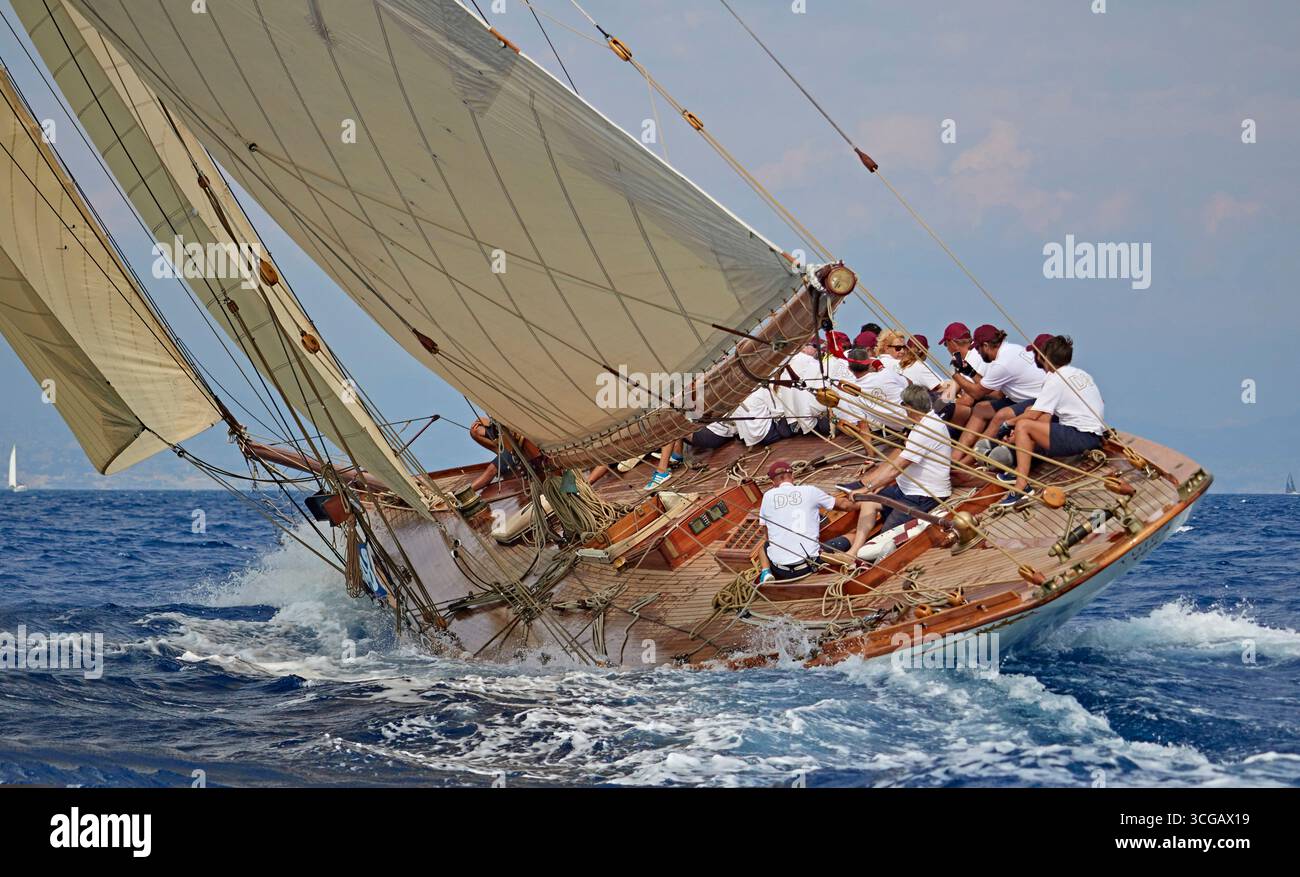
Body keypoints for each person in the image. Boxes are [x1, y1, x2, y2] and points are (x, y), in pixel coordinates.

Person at [1002, 335, 1105, 502]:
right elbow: (1043, 416)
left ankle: (1021, 486)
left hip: (1080, 436)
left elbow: (1034, 416)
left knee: (1023, 426)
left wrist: (1006, 426)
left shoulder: (1055, 379)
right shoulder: (1080, 374)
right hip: (1093, 435)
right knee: (1030, 419)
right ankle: (1023, 466)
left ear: (1045, 358)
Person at [848, 385, 953, 538]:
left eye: (903, 405)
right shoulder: (927, 421)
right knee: (869, 502)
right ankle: (855, 549)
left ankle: (865, 548)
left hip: (922, 495)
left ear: (909, 407)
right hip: (905, 490)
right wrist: (879, 485)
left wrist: (867, 488)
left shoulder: (924, 430)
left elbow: (897, 467)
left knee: (885, 535)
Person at [758, 460, 874, 581]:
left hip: (782, 570)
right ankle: (850, 556)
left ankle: (766, 572)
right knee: (853, 536)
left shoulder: (767, 497)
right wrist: (866, 502)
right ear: (793, 476)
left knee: (765, 545)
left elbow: (768, 536)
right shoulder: (810, 491)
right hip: (810, 565)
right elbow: (845, 506)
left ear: (772, 483)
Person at [951, 324, 1044, 466]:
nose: (978, 352)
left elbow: (976, 392)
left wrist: (956, 377)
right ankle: (955, 456)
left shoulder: (1002, 364)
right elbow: (991, 390)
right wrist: (969, 372)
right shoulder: (1013, 349)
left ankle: (967, 462)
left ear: (986, 345)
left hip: (1039, 400)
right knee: (981, 409)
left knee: (1001, 415)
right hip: (1020, 398)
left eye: (978, 348)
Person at [838, 347, 909, 433]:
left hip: (905, 429)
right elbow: (910, 383)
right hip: (920, 418)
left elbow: (864, 428)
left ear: (849, 368)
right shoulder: (886, 373)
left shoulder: (852, 393)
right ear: (869, 363)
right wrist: (881, 369)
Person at [469, 415, 520, 491]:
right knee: (475, 430)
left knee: (491, 470)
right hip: (504, 432)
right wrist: (488, 423)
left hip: (517, 443)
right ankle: (502, 454)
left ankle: (466, 492)